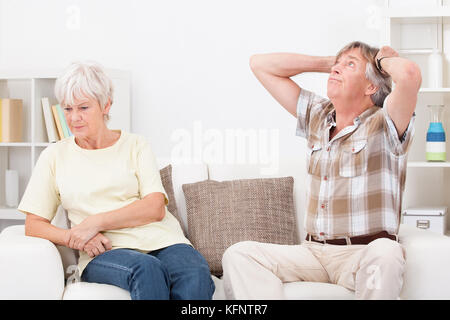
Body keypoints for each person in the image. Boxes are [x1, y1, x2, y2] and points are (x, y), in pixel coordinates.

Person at [221, 41, 422, 300]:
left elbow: (409, 75)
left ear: (371, 86)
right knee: (239, 254)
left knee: (387, 252)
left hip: (362, 252)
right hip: (313, 252)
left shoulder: (385, 122)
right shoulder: (318, 115)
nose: (336, 69)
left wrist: (380, 62)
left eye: (350, 65)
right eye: (337, 64)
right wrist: (332, 62)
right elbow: (260, 65)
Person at [18, 61, 215, 300]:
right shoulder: (54, 156)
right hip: (107, 251)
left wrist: (95, 222)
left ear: (106, 105)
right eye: (67, 109)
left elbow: (155, 207)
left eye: (83, 107)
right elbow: (34, 224)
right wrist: (76, 237)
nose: (74, 118)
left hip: (164, 240)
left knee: (195, 273)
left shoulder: (135, 145)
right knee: (147, 269)